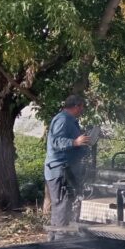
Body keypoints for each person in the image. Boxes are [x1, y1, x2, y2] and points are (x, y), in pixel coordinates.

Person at [44, 95, 90, 228]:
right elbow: (56, 141)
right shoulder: (63, 120)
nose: (82, 110)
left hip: (65, 168)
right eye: (81, 107)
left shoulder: (69, 120)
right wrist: (75, 142)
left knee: (64, 203)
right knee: (61, 203)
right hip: (59, 168)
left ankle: (57, 238)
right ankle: (59, 242)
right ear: (76, 106)